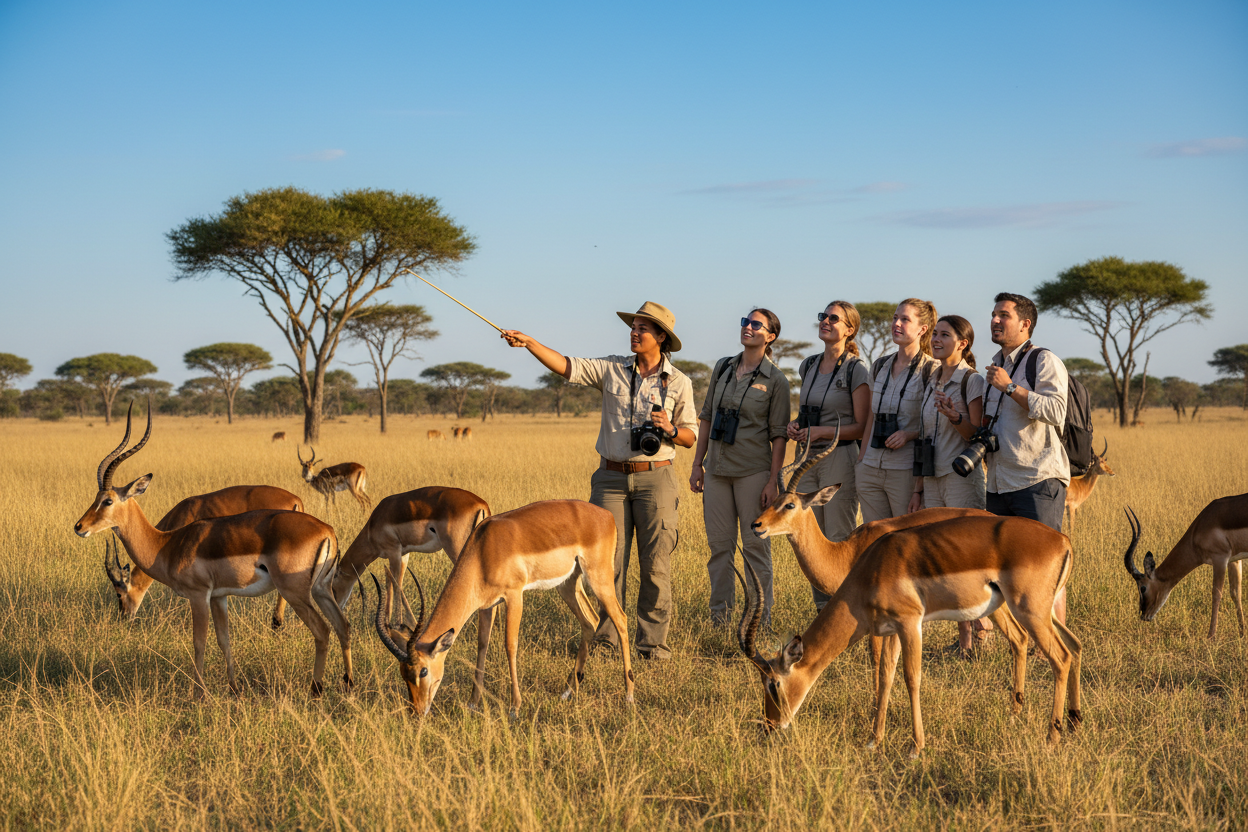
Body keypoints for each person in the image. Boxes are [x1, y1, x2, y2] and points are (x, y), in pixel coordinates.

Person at [500, 302, 698, 660]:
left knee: (655, 565)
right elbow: (567, 367)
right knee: (606, 566)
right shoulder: (611, 369)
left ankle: (653, 647)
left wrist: (669, 428)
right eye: (633, 326)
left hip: (657, 478)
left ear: (661, 337)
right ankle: (608, 642)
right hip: (610, 478)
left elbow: (690, 436)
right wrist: (530, 343)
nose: (634, 333)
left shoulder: (680, 382)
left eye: (643, 328)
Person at [690, 309, 790, 627]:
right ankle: (720, 619)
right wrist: (697, 464)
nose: (748, 327)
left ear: (770, 336)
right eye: (745, 322)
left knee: (754, 548)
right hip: (717, 472)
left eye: (756, 324)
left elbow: (779, 436)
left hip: (753, 472)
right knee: (719, 549)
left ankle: (759, 620)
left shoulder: (776, 380)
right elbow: (706, 417)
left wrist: (773, 481)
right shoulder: (722, 368)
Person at [983, 291, 1070, 622]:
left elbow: (1056, 410)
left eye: (1003, 315)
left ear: (1025, 324)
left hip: (1037, 480)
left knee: (1044, 566)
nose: (995, 320)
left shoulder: (1043, 360)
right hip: (998, 483)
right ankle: (1021, 639)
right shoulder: (996, 365)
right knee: (1003, 569)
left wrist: (1009, 387)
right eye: (994, 314)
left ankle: (1055, 637)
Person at [910, 314, 990, 654]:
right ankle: (964, 640)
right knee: (945, 560)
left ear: (963, 343)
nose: (936, 339)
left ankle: (982, 630)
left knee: (967, 558)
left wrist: (955, 416)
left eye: (945, 335)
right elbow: (925, 437)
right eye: (936, 334)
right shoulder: (932, 378)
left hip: (961, 479)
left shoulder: (971, 380)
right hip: (933, 479)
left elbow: (978, 434)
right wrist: (917, 489)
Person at [786, 301, 871, 611]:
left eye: (833, 319)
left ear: (849, 330)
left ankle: (846, 614)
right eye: (823, 316)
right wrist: (797, 426)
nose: (825, 321)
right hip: (806, 460)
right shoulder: (808, 365)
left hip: (839, 459)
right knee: (812, 540)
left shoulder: (855, 369)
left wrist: (822, 432)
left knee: (838, 538)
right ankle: (824, 615)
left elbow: (861, 426)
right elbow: (807, 413)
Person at [856, 299, 939, 524]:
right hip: (870, 467)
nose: (897, 324)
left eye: (905, 319)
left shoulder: (932, 369)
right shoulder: (879, 365)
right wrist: (861, 462)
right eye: (895, 318)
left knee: (905, 541)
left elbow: (933, 426)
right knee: (874, 541)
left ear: (922, 329)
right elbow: (871, 418)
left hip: (905, 470)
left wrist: (908, 434)